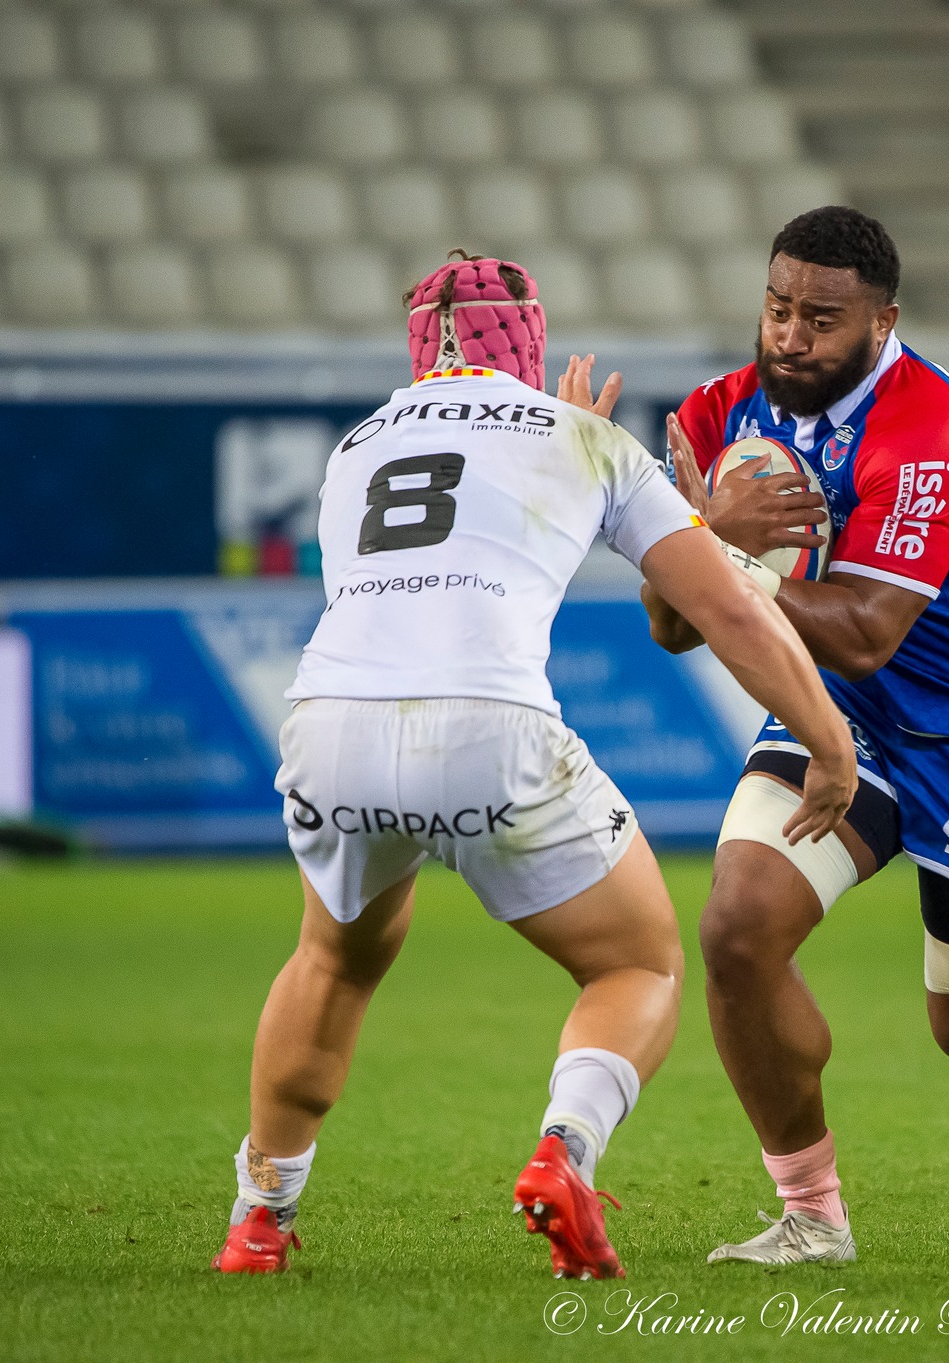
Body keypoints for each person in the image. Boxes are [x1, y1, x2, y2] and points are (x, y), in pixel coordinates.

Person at [210, 252, 858, 1279]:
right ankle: (565, 1154)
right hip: (488, 727)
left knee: (331, 960)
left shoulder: (354, 444)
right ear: (532, 339)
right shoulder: (583, 439)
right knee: (636, 961)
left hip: (328, 722)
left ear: (419, 347)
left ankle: (258, 1218)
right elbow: (727, 607)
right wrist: (826, 735)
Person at [640, 207, 949, 1265]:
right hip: (837, 721)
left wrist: (718, 553)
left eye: (821, 319)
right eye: (777, 308)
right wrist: (694, 556)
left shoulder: (935, 436)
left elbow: (867, 633)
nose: (790, 336)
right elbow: (667, 626)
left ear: (882, 322)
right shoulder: (714, 415)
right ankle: (811, 1213)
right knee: (736, 931)